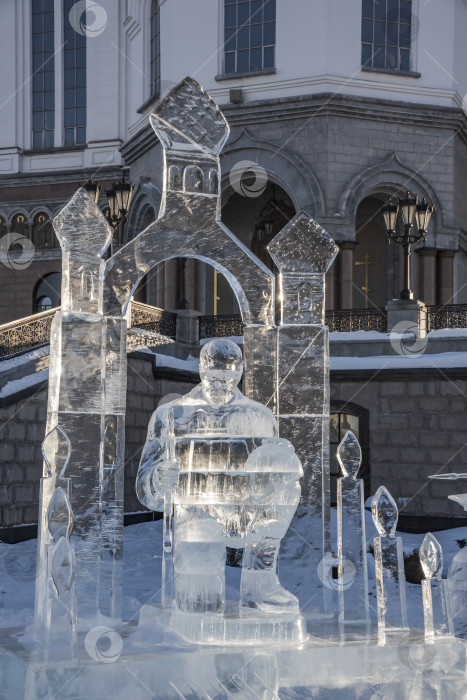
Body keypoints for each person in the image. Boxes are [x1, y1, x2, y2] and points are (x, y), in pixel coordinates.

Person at [136, 338, 302, 614]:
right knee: (202, 603)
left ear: (239, 372)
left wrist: (280, 462)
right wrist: (157, 481)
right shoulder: (172, 415)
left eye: (227, 377)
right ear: (201, 371)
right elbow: (144, 484)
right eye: (213, 377)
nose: (219, 384)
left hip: (248, 510)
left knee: (286, 474)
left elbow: (274, 474)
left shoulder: (259, 416)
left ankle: (261, 584)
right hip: (196, 515)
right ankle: (200, 601)